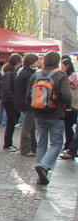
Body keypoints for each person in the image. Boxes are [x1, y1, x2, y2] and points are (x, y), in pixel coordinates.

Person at [31, 51, 72, 185]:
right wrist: (68, 106)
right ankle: (43, 166)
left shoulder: (36, 75)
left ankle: (40, 175)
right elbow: (67, 96)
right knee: (56, 144)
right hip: (55, 114)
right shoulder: (60, 75)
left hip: (38, 113)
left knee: (41, 143)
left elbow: (28, 96)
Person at [15, 54, 39, 157]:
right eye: (36, 61)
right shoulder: (28, 74)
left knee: (31, 126)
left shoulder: (23, 72)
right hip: (28, 104)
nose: (37, 63)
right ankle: (26, 149)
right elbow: (28, 91)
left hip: (25, 103)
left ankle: (33, 148)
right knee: (28, 127)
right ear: (31, 62)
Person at [0, 55, 23, 151]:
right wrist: (13, 99)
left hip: (9, 100)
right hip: (9, 101)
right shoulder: (9, 74)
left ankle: (9, 143)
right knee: (11, 121)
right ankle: (7, 144)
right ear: (18, 62)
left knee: (12, 121)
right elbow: (7, 89)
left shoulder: (11, 73)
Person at [60, 58, 78, 150]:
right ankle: (68, 143)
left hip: (72, 102)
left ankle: (70, 144)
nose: (61, 68)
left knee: (69, 125)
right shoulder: (63, 75)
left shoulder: (74, 76)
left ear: (68, 66)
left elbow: (73, 88)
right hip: (65, 102)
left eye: (62, 66)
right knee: (66, 125)